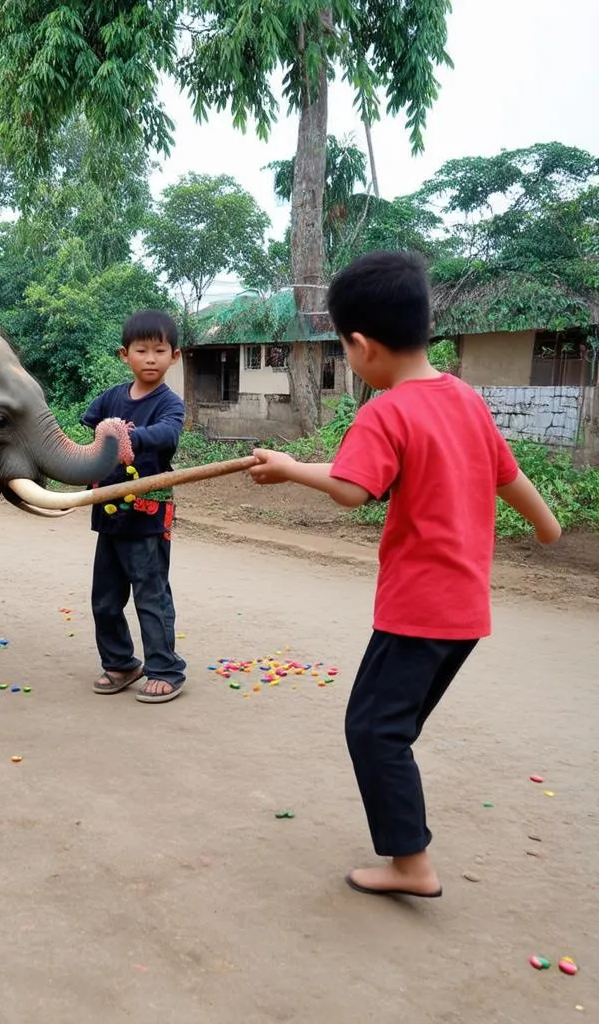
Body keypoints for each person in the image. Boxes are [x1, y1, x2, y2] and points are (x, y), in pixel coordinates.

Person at [247, 251, 561, 898]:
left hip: (418, 607)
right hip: (465, 612)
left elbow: (352, 488)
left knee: (374, 729)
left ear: (360, 345)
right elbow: (510, 477)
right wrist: (547, 524)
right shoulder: (466, 400)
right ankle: (405, 844)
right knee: (393, 726)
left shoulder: (386, 411)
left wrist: (288, 467)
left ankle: (411, 864)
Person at [81, 309, 188, 703]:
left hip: (147, 517)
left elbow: (167, 434)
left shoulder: (169, 404)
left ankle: (165, 669)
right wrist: (101, 437)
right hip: (108, 516)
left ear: (174, 357)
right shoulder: (111, 397)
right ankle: (121, 663)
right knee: (105, 598)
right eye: (141, 350)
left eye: (159, 350)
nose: (150, 358)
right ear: (124, 354)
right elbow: (89, 421)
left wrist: (131, 439)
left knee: (151, 596)